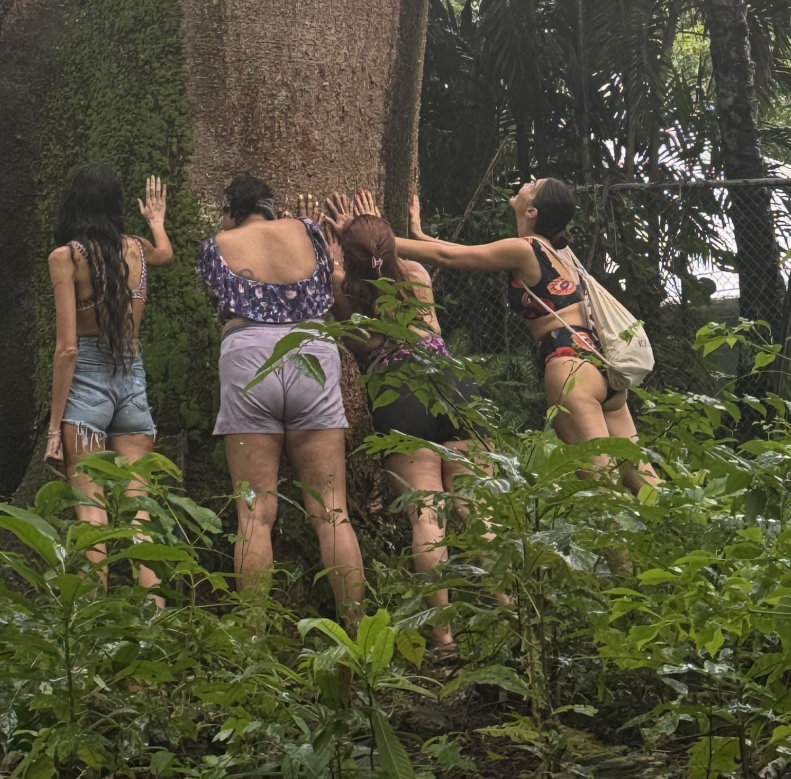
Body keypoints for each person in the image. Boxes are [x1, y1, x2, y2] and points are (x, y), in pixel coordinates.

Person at [393, 178, 654, 492]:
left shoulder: (525, 249)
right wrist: (420, 236)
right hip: (601, 369)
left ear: (532, 210)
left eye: (534, 185)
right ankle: (680, 533)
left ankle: (620, 542)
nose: (527, 183)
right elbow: (469, 252)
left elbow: (450, 259)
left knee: (602, 488)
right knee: (645, 481)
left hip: (569, 368)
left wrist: (376, 240)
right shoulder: (562, 252)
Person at [196, 174, 364, 619]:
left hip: (248, 353)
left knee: (254, 515)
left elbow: (215, 294)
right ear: (272, 208)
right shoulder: (305, 230)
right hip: (312, 351)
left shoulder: (219, 244)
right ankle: (358, 635)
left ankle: (253, 643)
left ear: (231, 212)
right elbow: (326, 281)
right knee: (332, 511)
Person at [328, 205, 485, 652]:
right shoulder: (416, 272)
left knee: (426, 516)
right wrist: (372, 236)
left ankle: (443, 637)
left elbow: (354, 276)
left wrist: (337, 247)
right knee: (479, 509)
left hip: (400, 393)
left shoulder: (341, 291)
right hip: (451, 382)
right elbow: (383, 262)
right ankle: (510, 607)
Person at [46, 164, 173, 588]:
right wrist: (156, 222)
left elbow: (66, 349)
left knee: (91, 508)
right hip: (131, 380)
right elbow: (165, 254)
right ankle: (152, 618)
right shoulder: (136, 249)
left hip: (85, 386)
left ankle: (91, 628)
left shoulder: (66, 258)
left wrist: (52, 429)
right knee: (139, 508)